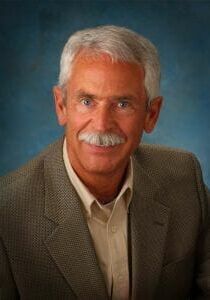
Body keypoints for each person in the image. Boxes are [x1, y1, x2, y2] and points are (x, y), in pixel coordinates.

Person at [0, 25, 210, 300]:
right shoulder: (7, 212)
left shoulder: (183, 176)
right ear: (61, 105)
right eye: (87, 101)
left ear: (151, 114)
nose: (101, 125)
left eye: (122, 104)